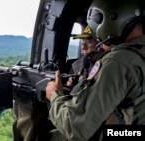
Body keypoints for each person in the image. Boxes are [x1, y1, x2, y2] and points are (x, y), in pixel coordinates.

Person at [46, 0, 145, 140]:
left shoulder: (117, 62)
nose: (84, 47)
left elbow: (76, 127)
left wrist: (55, 95)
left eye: (90, 41)